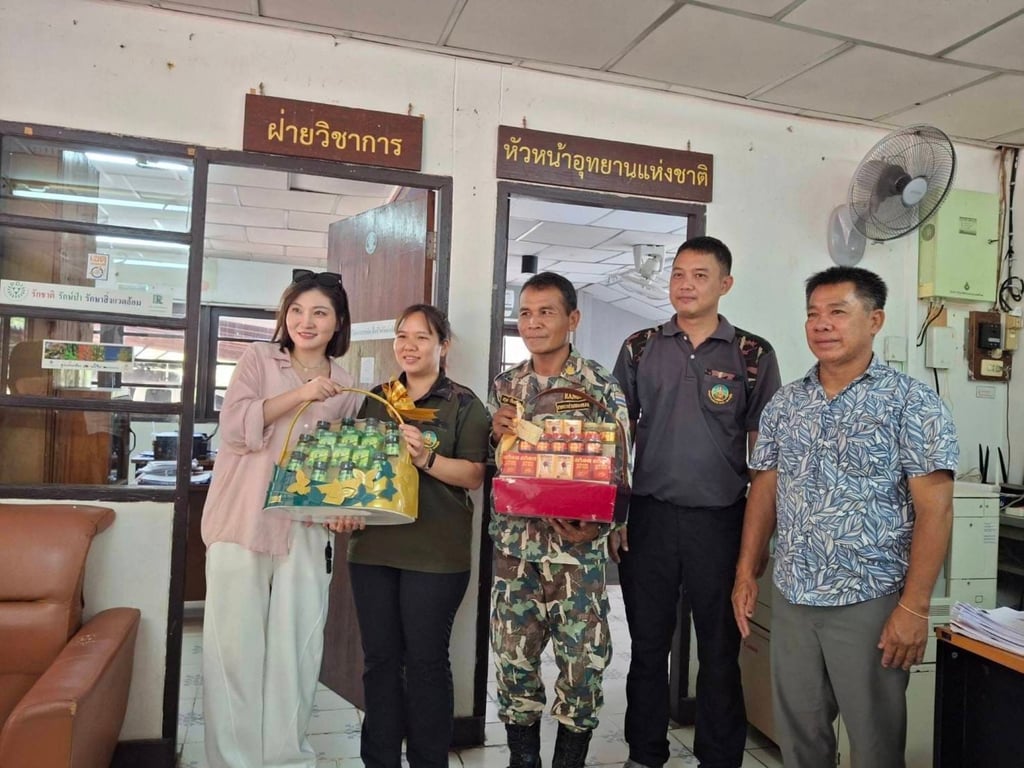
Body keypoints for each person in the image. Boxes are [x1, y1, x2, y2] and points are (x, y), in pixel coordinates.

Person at [731, 266, 958, 768]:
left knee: (875, 746)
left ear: (874, 320)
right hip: (793, 596)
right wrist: (747, 571)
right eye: (813, 314)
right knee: (800, 742)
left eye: (838, 312)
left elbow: (936, 509)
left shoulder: (912, 404)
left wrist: (915, 608)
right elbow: (764, 489)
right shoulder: (785, 404)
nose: (822, 324)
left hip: (870, 601)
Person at [611, 236, 781, 768]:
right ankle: (645, 752)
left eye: (700, 275)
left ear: (725, 285)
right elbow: (616, 438)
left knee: (720, 653)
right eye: (678, 274)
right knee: (646, 650)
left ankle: (719, 757)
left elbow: (766, 456)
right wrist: (618, 514)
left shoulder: (752, 355)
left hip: (721, 522)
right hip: (651, 518)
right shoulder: (641, 346)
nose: (685, 284)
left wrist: (757, 542)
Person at [201, 268, 362, 768]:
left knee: (297, 649)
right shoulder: (256, 358)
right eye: (296, 310)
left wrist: (345, 510)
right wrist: (301, 394)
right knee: (234, 650)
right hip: (241, 522)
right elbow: (233, 427)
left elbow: (344, 462)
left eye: (319, 313)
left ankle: (288, 757)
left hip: (305, 531)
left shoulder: (348, 386)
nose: (305, 321)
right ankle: (234, 760)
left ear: (338, 324)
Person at [329, 304, 491, 768]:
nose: (409, 346)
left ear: (443, 346)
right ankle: (378, 759)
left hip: (436, 554)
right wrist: (343, 510)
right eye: (402, 336)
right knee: (379, 662)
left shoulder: (464, 403)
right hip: (374, 550)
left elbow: (475, 476)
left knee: (424, 663)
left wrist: (426, 461)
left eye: (422, 337)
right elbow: (357, 469)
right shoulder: (376, 399)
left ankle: (428, 760)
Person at [489, 271, 631, 768]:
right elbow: (500, 464)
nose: (533, 322)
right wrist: (496, 434)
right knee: (513, 664)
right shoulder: (507, 385)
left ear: (572, 318)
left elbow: (621, 466)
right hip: (515, 552)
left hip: (577, 556)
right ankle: (522, 761)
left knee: (583, 667)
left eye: (545, 311)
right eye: (525, 313)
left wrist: (604, 523)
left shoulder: (599, 385)